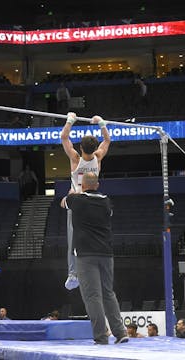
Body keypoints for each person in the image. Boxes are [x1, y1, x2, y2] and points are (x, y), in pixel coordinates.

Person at [60, 172, 128, 345]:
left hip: (86, 255)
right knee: (108, 293)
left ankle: (101, 336)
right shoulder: (106, 201)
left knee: (92, 296)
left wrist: (71, 193)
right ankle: (120, 333)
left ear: (82, 185)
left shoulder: (77, 200)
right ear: (97, 185)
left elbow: (63, 203)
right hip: (106, 253)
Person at [61, 112, 111, 290]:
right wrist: (101, 123)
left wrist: (70, 120)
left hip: (77, 204)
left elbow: (64, 137)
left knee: (73, 239)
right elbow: (107, 141)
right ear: (94, 147)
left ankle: (73, 274)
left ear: (80, 149)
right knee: (92, 236)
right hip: (94, 203)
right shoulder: (98, 158)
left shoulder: (75, 159)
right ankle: (93, 268)